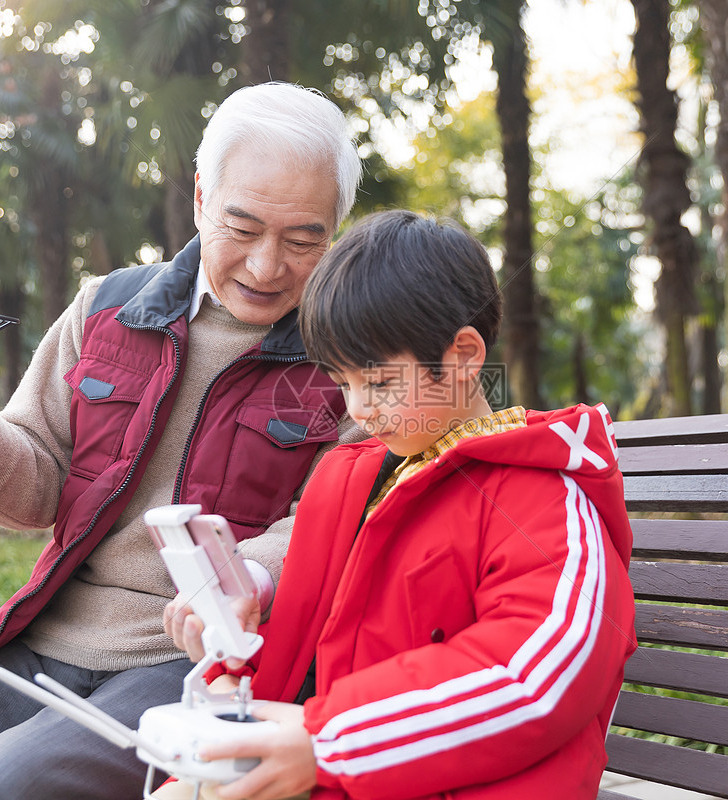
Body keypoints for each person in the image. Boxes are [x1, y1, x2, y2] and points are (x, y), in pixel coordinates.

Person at [0, 82, 364, 800]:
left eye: (305, 240)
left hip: (194, 662)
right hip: (44, 636)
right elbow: (39, 488)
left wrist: (245, 579)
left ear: (337, 226)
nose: (268, 266)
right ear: (204, 196)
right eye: (243, 229)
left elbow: (336, 514)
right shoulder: (109, 307)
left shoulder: (354, 353)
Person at [162, 209, 637, 800]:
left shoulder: (546, 496)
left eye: (380, 383)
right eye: (343, 382)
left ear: (464, 357)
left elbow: (539, 676)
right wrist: (233, 658)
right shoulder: (346, 484)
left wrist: (328, 743)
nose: (358, 409)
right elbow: (299, 656)